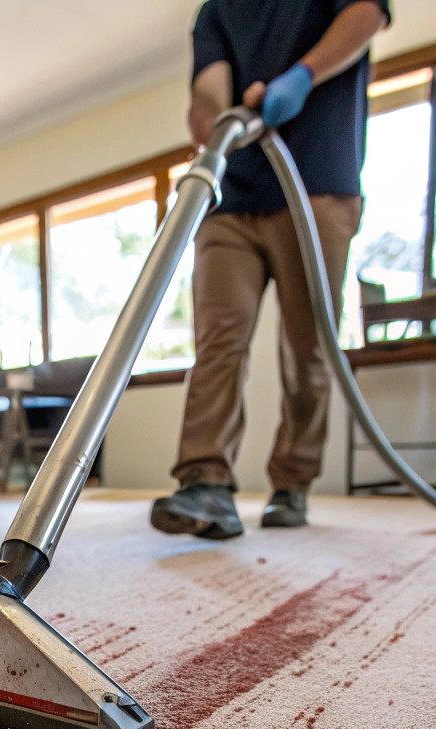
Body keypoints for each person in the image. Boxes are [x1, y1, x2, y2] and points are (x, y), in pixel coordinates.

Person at [151, 0, 390, 539]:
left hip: (317, 183)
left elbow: (369, 14)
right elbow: (207, 92)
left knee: (306, 343)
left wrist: (303, 76)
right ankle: (205, 482)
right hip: (231, 194)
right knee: (218, 339)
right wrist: (214, 120)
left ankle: (292, 483)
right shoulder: (217, 10)